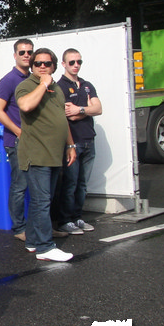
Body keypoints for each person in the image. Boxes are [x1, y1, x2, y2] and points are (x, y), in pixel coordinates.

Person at [15, 48, 76, 262]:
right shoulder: (26, 86)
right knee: (42, 201)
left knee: (41, 201)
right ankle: (45, 247)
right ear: (32, 66)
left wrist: (70, 145)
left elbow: (62, 118)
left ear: (54, 66)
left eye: (47, 64)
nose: (42, 66)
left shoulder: (57, 88)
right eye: (38, 63)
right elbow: (25, 105)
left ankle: (33, 241)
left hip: (54, 153)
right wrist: (43, 84)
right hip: (36, 153)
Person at [54, 48, 102, 235]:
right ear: (64, 64)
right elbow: (68, 115)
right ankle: (65, 220)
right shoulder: (60, 87)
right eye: (72, 62)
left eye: (79, 62)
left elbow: (98, 109)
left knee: (83, 184)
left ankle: (77, 217)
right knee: (70, 183)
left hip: (89, 140)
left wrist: (79, 110)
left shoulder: (87, 85)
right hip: (72, 142)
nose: (76, 65)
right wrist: (87, 109)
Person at [0, 38, 34, 242]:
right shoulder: (9, 80)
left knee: (39, 185)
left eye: (29, 52)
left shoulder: (34, 80)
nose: (26, 55)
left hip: (35, 142)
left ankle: (39, 226)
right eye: (22, 52)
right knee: (20, 185)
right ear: (15, 55)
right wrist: (18, 132)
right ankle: (19, 228)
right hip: (17, 142)